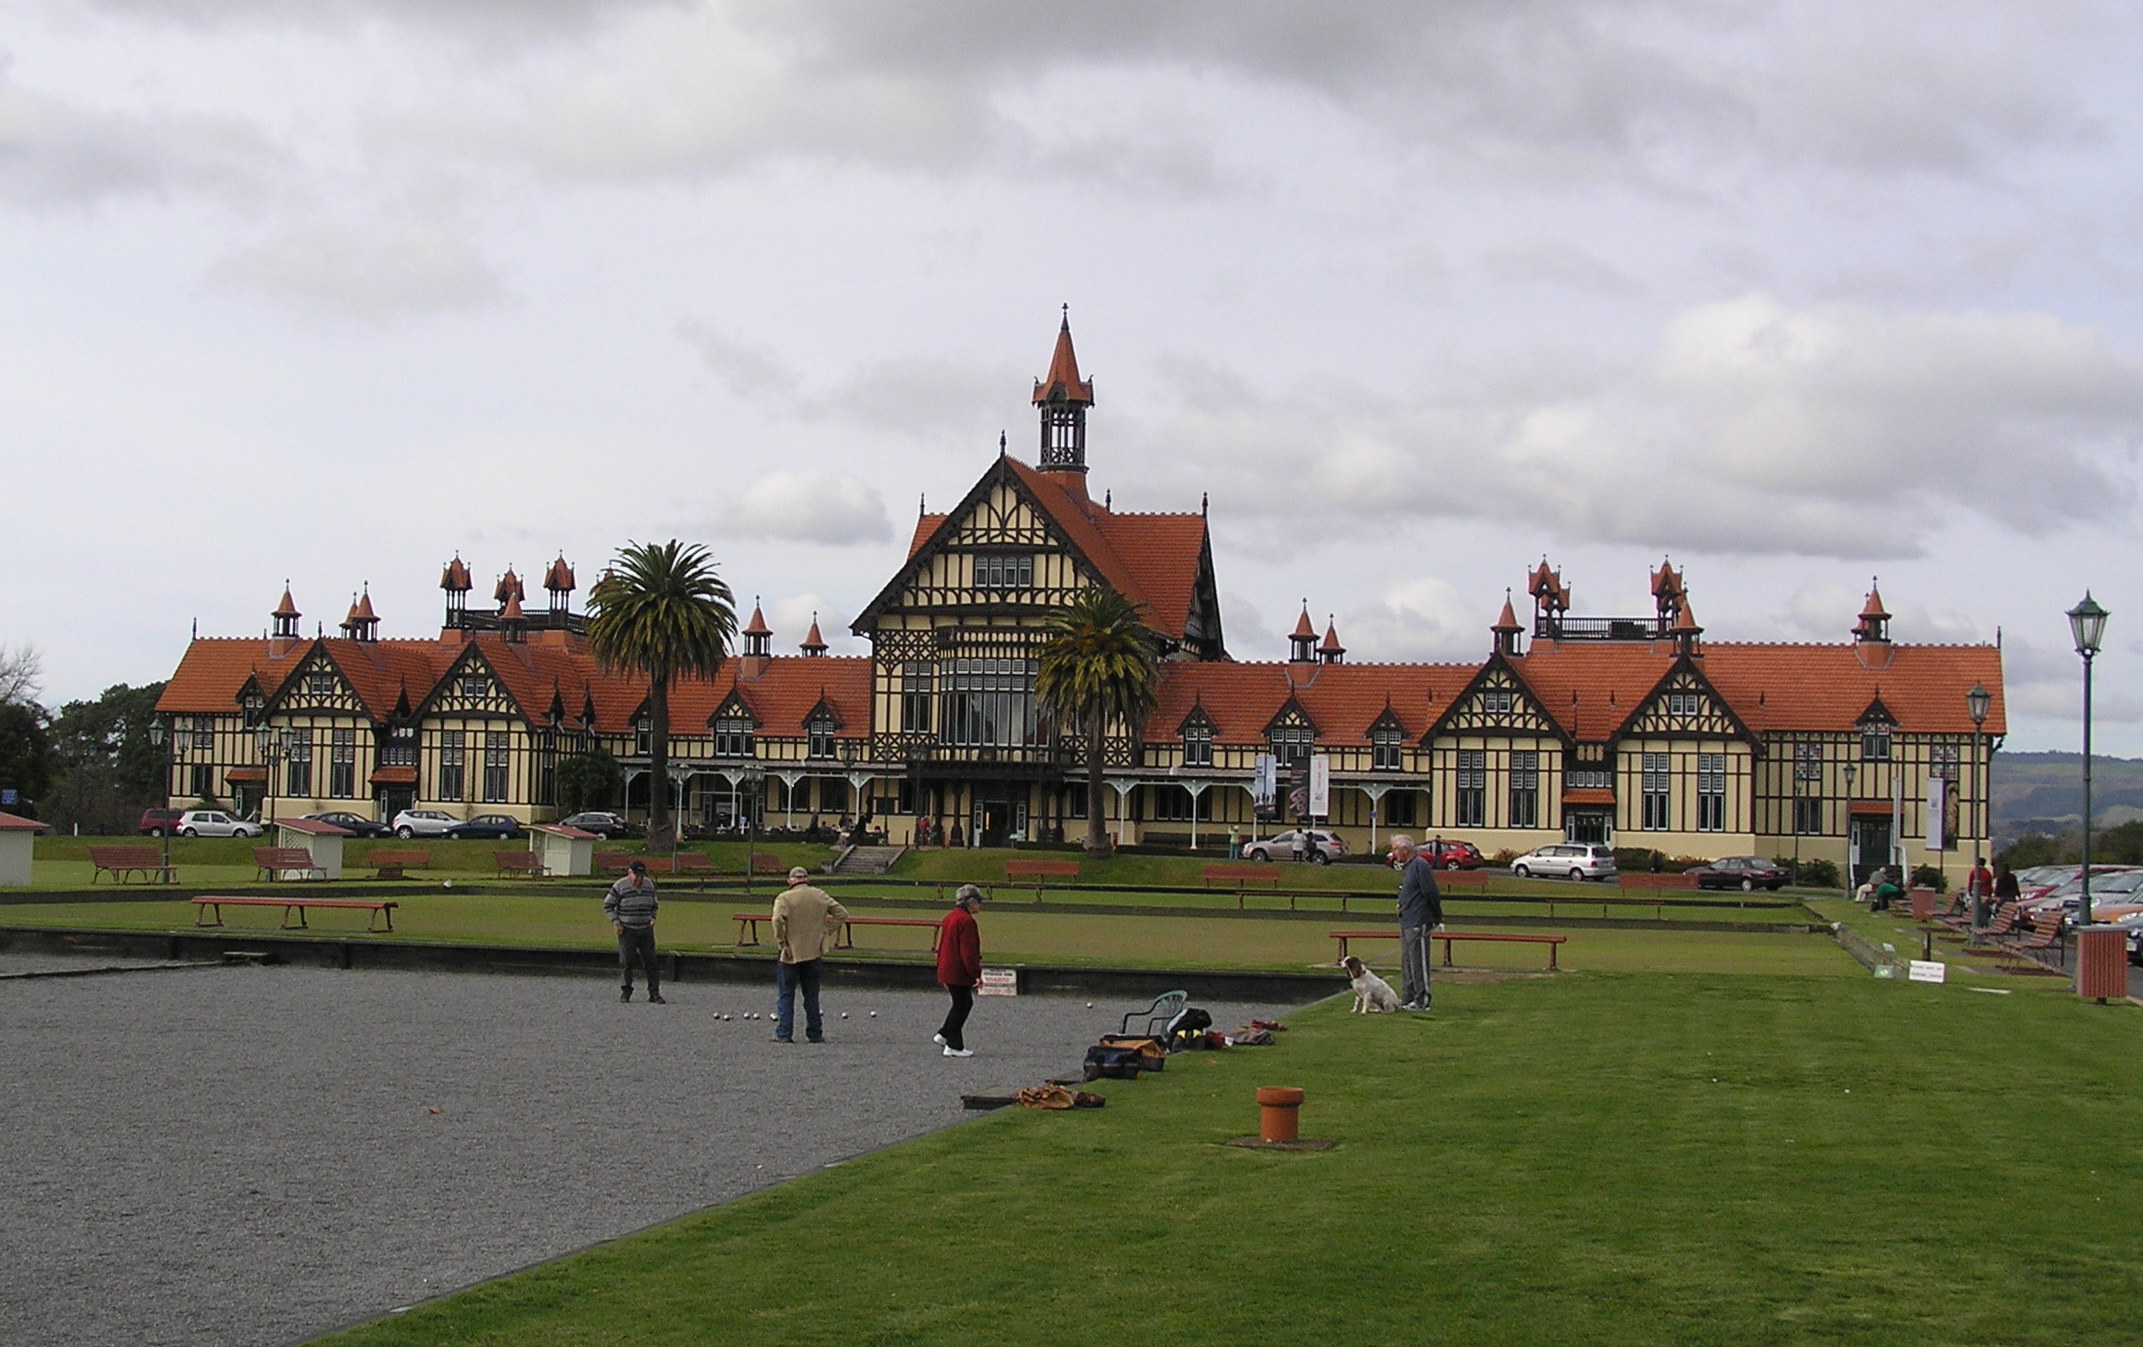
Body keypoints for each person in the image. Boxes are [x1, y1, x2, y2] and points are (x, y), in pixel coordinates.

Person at [770, 865, 848, 1043]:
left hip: (790, 952)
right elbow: (842, 914)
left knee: (786, 994)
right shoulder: (819, 895)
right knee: (811, 995)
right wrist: (825, 931)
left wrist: (782, 941)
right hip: (813, 951)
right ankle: (814, 1033)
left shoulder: (784, 897)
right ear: (807, 879)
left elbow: (776, 920)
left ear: (790, 881)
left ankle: (784, 1034)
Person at [1388, 834, 1443, 1012]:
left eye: (1396, 848)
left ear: (1406, 849)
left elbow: (1431, 892)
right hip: (1407, 920)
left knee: (1418, 962)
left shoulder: (1420, 866)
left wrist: (1436, 916)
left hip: (1419, 921)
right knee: (1407, 961)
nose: (1394, 852)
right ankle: (1408, 996)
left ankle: (1421, 999)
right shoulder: (1409, 867)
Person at [934, 884, 985, 1057]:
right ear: (969, 902)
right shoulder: (967, 921)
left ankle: (944, 1034)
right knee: (963, 1004)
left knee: (961, 1003)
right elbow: (968, 952)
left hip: (947, 967)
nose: (980, 904)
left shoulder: (950, 917)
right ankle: (953, 1045)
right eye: (978, 901)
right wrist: (976, 974)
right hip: (957, 970)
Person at [603, 860, 662, 1003]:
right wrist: (616, 923)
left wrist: (652, 918)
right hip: (627, 929)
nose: (639, 879)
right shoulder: (619, 886)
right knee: (627, 962)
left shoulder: (649, 885)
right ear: (630, 873)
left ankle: (654, 993)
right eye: (636, 875)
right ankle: (626, 991)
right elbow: (608, 905)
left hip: (646, 929)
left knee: (651, 962)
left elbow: (654, 905)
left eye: (641, 876)